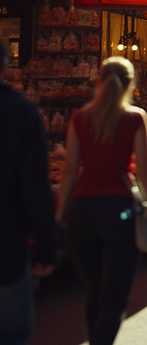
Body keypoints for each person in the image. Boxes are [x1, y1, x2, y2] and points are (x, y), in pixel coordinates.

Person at [57, 57, 147, 343]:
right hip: (119, 210)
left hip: (82, 212)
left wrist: (60, 214)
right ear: (130, 85)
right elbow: (144, 170)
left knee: (94, 292)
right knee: (115, 298)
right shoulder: (136, 117)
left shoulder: (79, 117)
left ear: (98, 81)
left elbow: (68, 172)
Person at [0, 40, 58, 345]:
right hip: (6, 249)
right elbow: (36, 186)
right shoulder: (21, 113)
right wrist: (47, 246)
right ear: (6, 67)